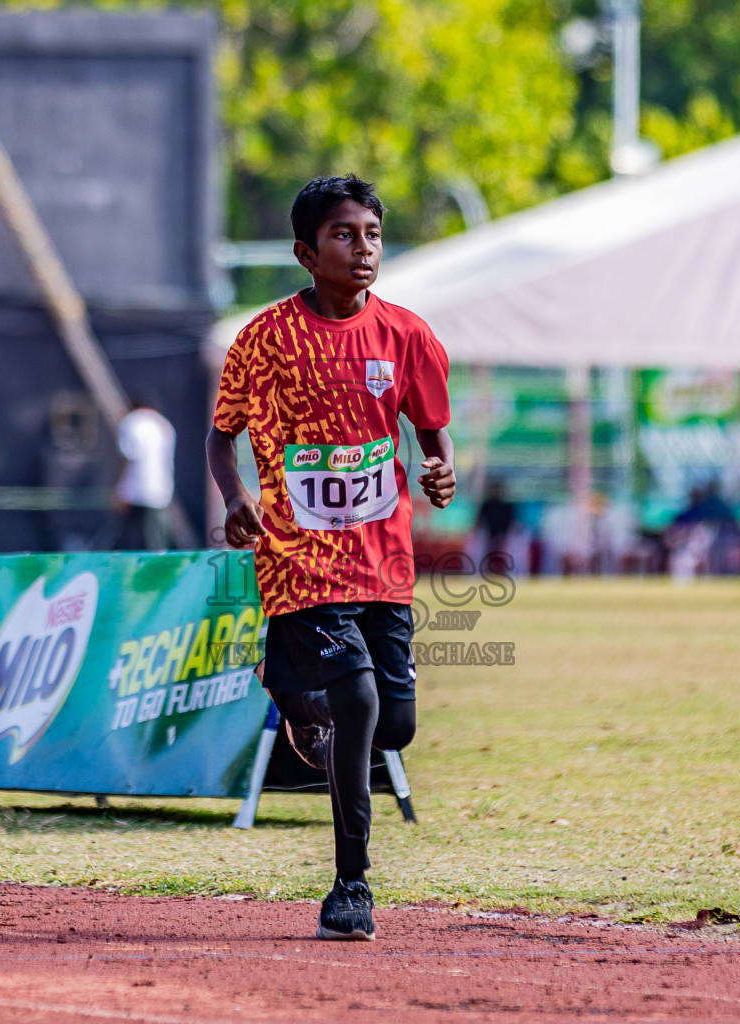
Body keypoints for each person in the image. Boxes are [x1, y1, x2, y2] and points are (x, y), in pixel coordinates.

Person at [207, 175, 455, 942]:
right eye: (345, 235)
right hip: (297, 555)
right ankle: (352, 886)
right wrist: (235, 496)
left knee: (395, 725)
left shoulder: (408, 336)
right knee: (358, 702)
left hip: (384, 559)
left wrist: (443, 469)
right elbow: (222, 435)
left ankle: (294, 699)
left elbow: (431, 429)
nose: (363, 248)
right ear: (305, 253)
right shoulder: (265, 340)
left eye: (373, 234)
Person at [113, 397, 176, 550]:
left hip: (135, 493)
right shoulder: (163, 424)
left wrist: (121, 489)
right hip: (162, 492)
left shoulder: (131, 422)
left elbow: (128, 459)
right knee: (157, 543)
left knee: (133, 544)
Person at [476, 479, 518, 559]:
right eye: (495, 489)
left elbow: (513, 522)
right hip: (488, 536)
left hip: (505, 536)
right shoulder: (487, 505)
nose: (497, 491)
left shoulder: (507, 506)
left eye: (498, 489)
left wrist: (504, 537)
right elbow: (479, 522)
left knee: (506, 554)